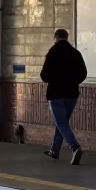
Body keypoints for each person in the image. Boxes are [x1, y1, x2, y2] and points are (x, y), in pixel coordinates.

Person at [39, 28, 87, 165]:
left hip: (56, 94)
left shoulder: (53, 52)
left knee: (61, 123)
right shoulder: (75, 53)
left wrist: (54, 79)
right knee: (62, 123)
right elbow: (83, 73)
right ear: (66, 37)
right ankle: (54, 150)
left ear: (56, 38)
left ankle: (75, 148)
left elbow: (44, 75)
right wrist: (73, 82)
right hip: (72, 94)